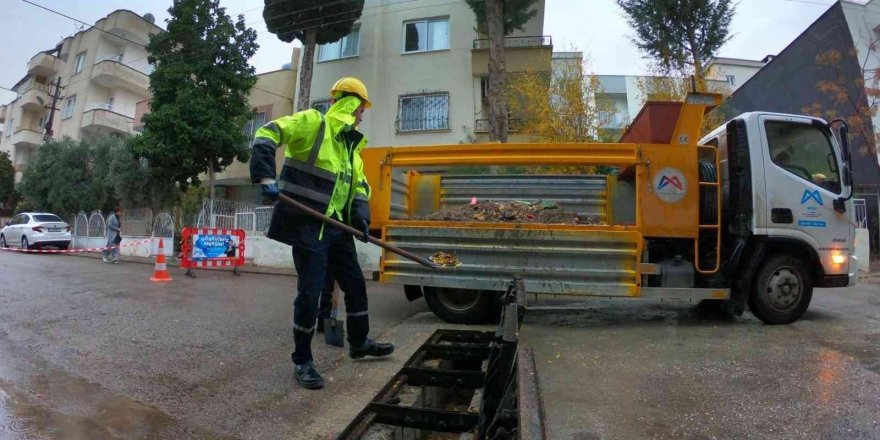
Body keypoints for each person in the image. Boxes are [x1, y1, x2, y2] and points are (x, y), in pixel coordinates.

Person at [249, 77, 394, 390]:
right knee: (311, 293)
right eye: (359, 108)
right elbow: (267, 132)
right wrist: (264, 176)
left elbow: (359, 188)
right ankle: (302, 361)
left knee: (355, 284)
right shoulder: (313, 124)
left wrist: (362, 218)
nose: (361, 115)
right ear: (347, 103)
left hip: (337, 229)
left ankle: (359, 343)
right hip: (308, 225)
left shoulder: (350, 149)